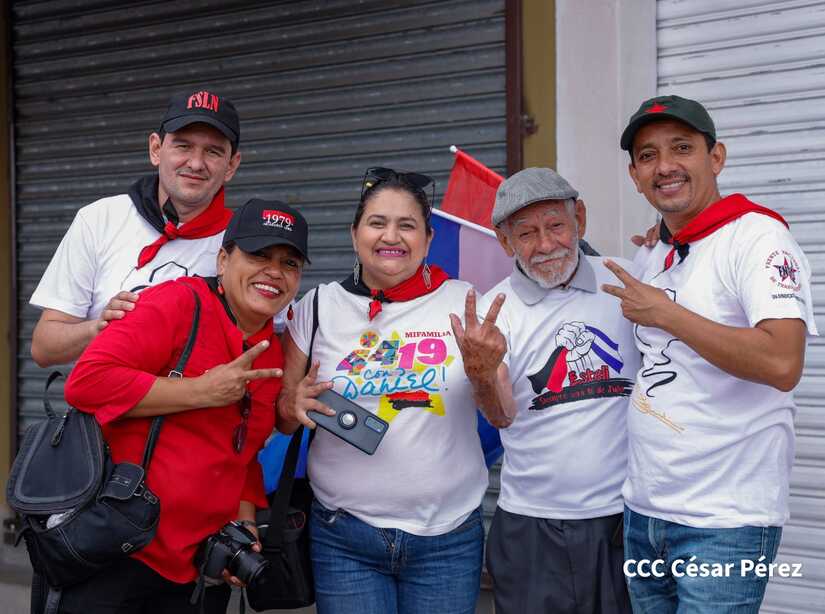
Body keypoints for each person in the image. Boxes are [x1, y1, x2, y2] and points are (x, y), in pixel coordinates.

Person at [602, 94, 817, 613]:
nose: (665, 166)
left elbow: (782, 363)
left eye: (682, 148)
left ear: (715, 157)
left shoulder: (758, 239)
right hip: (645, 514)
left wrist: (667, 314)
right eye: (648, 155)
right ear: (635, 175)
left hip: (723, 523)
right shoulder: (654, 251)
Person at [53, 199, 310, 613]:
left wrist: (244, 526)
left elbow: (241, 456)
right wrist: (201, 391)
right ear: (223, 260)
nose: (274, 272)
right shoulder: (177, 303)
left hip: (199, 573)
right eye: (259, 255)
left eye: (289, 263)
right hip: (120, 552)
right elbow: (86, 383)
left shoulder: (272, 352)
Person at [277, 167, 496, 614]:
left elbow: (501, 414)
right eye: (377, 222)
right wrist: (291, 403)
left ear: (428, 239)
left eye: (407, 225)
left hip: (448, 539)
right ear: (354, 233)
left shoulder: (465, 302)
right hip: (344, 537)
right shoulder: (317, 307)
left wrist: (484, 374)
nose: (390, 236)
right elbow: (282, 416)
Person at [451, 167, 637, 613]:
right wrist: (481, 372)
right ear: (505, 242)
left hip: (625, 520)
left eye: (556, 225)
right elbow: (501, 415)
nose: (546, 244)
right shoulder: (496, 311)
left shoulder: (628, 282)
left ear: (580, 220)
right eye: (527, 233)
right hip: (532, 527)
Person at [30, 88, 242, 367]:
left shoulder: (245, 240)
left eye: (213, 151)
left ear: (231, 165)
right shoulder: (100, 218)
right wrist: (98, 327)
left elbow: (271, 341)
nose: (195, 163)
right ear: (156, 149)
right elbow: (44, 348)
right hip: (103, 395)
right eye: (183, 146)